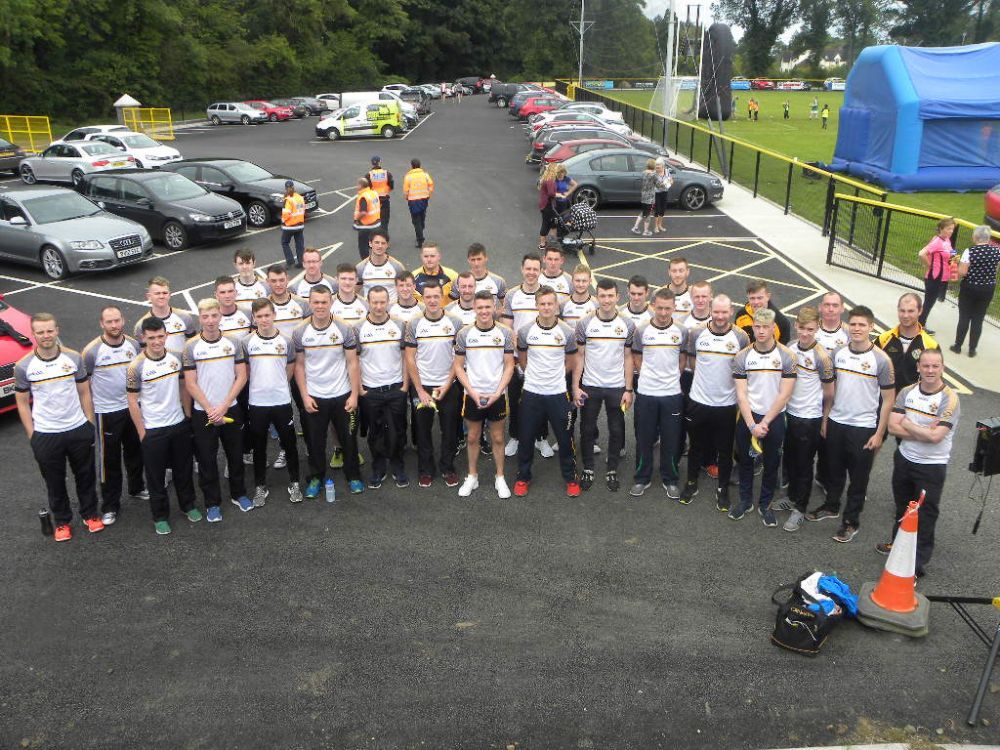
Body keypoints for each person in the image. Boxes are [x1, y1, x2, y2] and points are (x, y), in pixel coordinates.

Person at [806, 306, 894, 544]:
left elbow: (888, 400)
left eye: (862, 325)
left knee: (858, 478)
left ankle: (851, 522)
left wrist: (879, 433)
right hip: (836, 422)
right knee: (834, 470)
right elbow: (829, 390)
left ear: (871, 327)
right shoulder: (838, 353)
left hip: (864, 427)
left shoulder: (881, 360)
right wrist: (826, 419)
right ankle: (831, 506)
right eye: (853, 324)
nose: (857, 329)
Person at [15, 313, 102, 541]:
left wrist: (89, 423)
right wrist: (33, 435)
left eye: (49, 331)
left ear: (57, 331)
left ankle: (90, 514)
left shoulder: (73, 358)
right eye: (40, 332)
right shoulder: (23, 366)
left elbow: (84, 392)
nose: (46, 336)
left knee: (85, 476)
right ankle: (62, 522)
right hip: (46, 434)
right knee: (54, 481)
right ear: (33, 334)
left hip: (77, 428)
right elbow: (22, 403)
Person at [884, 348, 960, 577]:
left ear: (942, 368)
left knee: (925, 516)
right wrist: (925, 431)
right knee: (902, 508)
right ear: (918, 367)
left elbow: (936, 438)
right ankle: (897, 549)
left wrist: (908, 424)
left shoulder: (950, 399)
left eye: (935, 366)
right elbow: (892, 427)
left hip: (931, 467)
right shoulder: (907, 392)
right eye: (926, 365)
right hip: (904, 459)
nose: (930, 370)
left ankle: (916, 566)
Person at [127, 316, 200, 535]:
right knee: (156, 477)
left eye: (160, 336)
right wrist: (142, 432)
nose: (157, 341)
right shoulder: (136, 367)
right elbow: (132, 401)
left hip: (178, 424)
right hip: (153, 430)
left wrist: (187, 416)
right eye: (152, 338)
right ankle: (160, 516)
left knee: (183, 470)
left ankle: (188, 505)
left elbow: (184, 387)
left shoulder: (177, 357)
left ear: (166, 335)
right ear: (143, 338)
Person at [292, 285, 365, 499]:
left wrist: (354, 395)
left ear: (331, 303)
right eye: (316, 302)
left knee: (348, 439)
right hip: (315, 396)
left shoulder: (344, 328)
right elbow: (299, 366)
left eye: (324, 302)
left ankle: (353, 476)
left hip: (342, 394)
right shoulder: (300, 331)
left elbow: (352, 363)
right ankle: (316, 477)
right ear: (310, 303)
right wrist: (304, 396)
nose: (320, 306)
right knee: (315, 441)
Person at [182, 298, 251, 520]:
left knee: (235, 455)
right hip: (204, 413)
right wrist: (211, 409)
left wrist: (224, 406)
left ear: (220, 316)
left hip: (230, 408)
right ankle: (212, 503)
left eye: (214, 316)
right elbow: (190, 383)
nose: (210, 321)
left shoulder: (234, 343)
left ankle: (239, 494)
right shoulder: (191, 346)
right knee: (207, 460)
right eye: (205, 317)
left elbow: (241, 376)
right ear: (200, 318)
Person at [681, 295, 751, 509]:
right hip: (698, 401)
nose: (720, 316)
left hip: (726, 405)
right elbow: (693, 362)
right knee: (695, 446)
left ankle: (722, 489)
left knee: (724, 450)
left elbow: (743, 370)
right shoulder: (697, 332)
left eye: (724, 312)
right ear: (711, 311)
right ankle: (691, 482)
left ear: (731, 312)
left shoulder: (741, 337)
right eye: (717, 312)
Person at [730, 309, 797, 525]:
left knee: (771, 464)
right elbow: (741, 394)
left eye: (765, 327)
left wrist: (765, 422)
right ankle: (745, 501)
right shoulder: (742, 356)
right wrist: (752, 425)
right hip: (748, 417)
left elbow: (785, 394)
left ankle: (765, 504)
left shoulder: (787, 356)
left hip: (774, 418)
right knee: (746, 462)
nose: (760, 331)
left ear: (773, 328)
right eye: (757, 326)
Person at [81, 306, 147, 526]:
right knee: (109, 460)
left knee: (135, 450)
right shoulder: (92, 351)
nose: (114, 325)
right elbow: (84, 386)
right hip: (106, 412)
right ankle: (110, 505)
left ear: (123, 320)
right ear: (102, 324)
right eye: (109, 322)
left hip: (132, 407)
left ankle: (137, 487)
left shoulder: (133, 345)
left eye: (117, 320)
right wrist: (89, 416)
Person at [513, 287, 580, 498]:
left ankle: (570, 478)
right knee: (526, 437)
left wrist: (555, 377)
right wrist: (535, 376)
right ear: (536, 305)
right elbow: (522, 359)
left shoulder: (567, 332)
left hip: (558, 393)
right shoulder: (525, 331)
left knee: (565, 438)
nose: (546, 307)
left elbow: (571, 361)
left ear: (556, 306)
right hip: (531, 392)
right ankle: (523, 477)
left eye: (550, 303)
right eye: (542, 304)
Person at [627, 288, 689, 497]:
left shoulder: (682, 331)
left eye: (667, 309)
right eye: (660, 308)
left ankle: (670, 479)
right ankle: (641, 478)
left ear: (674, 308)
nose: (663, 313)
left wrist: (672, 377)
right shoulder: (642, 330)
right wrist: (648, 375)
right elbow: (636, 357)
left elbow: (682, 358)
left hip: (672, 394)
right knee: (644, 438)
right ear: (653, 306)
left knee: (671, 440)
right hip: (646, 393)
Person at [454, 293, 516, 499]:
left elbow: (509, 365)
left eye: (488, 307)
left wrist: (498, 392)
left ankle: (500, 477)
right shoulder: (464, 334)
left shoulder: (505, 333)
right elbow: (458, 366)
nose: (484, 311)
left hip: (497, 395)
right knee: (472, 437)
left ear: (494, 308)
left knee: (497, 437)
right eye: (480, 307)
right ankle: (472, 476)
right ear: (474, 308)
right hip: (472, 395)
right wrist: (472, 392)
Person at [574, 279, 634, 492]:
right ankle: (588, 468)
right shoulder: (584, 323)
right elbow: (580, 356)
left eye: (610, 296)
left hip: (617, 387)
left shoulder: (627, 325)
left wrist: (628, 389)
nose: (606, 300)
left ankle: (612, 468)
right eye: (602, 295)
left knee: (617, 430)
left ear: (618, 297)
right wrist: (575, 386)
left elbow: (628, 357)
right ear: (596, 297)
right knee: (587, 429)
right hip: (590, 385)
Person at [781, 307, 835, 533]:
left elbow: (829, 393)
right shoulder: (791, 347)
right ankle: (791, 497)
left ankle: (800, 508)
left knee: (804, 464)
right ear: (796, 325)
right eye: (802, 328)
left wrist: (824, 419)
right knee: (790, 460)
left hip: (810, 418)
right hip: (789, 413)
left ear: (817, 328)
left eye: (810, 329)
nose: (805, 333)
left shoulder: (822, 357)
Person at [245, 298, 303, 505]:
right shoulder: (247, 342)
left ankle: (294, 482)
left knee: (290, 443)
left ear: (274, 315)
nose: (264, 319)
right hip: (257, 403)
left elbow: (290, 368)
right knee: (259, 446)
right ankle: (260, 486)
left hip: (281, 401)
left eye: (267, 315)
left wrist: (277, 385)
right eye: (259, 316)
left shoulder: (286, 341)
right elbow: (247, 372)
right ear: (254, 318)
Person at [404, 284, 462, 488]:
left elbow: (458, 358)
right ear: (423, 298)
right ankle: (425, 469)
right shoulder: (414, 323)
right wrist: (419, 389)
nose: (432, 300)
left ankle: (447, 467)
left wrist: (447, 384)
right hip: (422, 387)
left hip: (448, 385)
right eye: (428, 297)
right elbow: (410, 359)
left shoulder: (455, 322)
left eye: (436, 296)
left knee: (450, 430)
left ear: (442, 297)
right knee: (422, 431)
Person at [355, 286, 409, 489]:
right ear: (368, 302)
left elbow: (406, 357)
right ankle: (378, 468)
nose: (378, 306)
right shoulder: (358, 328)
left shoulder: (400, 325)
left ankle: (397, 466)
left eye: (382, 302)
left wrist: (405, 385)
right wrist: (360, 389)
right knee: (375, 432)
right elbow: (354, 361)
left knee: (398, 430)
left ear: (388, 302)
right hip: (370, 390)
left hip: (396, 388)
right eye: (374, 302)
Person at [951, 224, 999, 357]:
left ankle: (958, 346)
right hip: (988, 288)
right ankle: (972, 350)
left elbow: (962, 272)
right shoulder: (997, 251)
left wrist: (954, 266)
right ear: (988, 238)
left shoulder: (970, 251)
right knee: (978, 319)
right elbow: (995, 270)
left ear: (975, 237)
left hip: (970, 288)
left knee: (964, 317)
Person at [876, 292, 938, 393]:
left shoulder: (931, 346)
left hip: (912, 401)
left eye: (910, 311)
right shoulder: (883, 339)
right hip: (882, 399)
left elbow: (935, 382)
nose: (905, 315)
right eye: (902, 311)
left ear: (920, 311)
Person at [133, 276, 197, 354]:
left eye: (165, 293)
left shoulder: (185, 317)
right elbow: (142, 352)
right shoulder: (141, 325)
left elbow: (193, 344)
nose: (161, 296)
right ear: (149, 296)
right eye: (157, 293)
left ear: (169, 295)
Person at [917, 217, 957, 331]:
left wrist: (954, 268)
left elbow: (951, 253)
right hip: (934, 278)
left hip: (942, 278)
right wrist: (930, 265)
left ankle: (920, 325)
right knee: (928, 303)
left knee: (929, 303)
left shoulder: (947, 240)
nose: (951, 231)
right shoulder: (937, 242)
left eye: (952, 229)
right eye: (948, 229)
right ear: (941, 229)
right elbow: (921, 254)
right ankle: (919, 327)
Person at [735, 279, 791, 343]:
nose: (756, 302)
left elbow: (782, 348)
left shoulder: (782, 322)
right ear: (748, 297)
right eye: (752, 298)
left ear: (768, 296)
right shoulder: (741, 315)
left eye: (759, 298)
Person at [357, 232, 406, 304]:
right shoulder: (361, 268)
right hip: (370, 309)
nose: (380, 246)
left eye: (383, 243)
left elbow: (405, 290)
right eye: (376, 242)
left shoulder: (397, 267)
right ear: (370, 243)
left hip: (391, 309)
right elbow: (353, 292)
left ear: (387, 245)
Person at [403, 158, 434, 248]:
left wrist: (406, 197)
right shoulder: (425, 175)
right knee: (422, 216)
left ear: (412, 166)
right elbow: (431, 184)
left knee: (416, 220)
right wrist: (429, 194)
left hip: (413, 200)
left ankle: (420, 239)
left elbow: (406, 189)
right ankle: (421, 230)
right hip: (424, 199)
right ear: (420, 165)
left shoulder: (408, 176)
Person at [353, 177, 382, 259]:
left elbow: (363, 212)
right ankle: (378, 260)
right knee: (375, 244)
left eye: (357, 184)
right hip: (377, 223)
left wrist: (357, 219)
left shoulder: (363, 196)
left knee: (363, 247)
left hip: (366, 226)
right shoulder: (374, 193)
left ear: (361, 186)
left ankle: (366, 262)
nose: (356, 186)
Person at [280, 179, 306, 268]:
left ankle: (290, 261)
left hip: (289, 226)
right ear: (293, 187)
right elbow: (303, 209)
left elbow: (286, 214)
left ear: (285, 188)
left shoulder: (288, 200)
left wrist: (282, 221)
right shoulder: (300, 198)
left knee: (285, 242)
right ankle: (301, 262)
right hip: (300, 225)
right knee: (299, 244)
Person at [537, 163, 563, 249]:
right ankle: (542, 244)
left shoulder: (546, 178)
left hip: (544, 204)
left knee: (552, 221)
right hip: (547, 205)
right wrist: (559, 195)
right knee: (546, 223)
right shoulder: (550, 180)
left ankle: (553, 240)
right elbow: (551, 193)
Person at [365, 155, 394, 232]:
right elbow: (391, 185)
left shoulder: (368, 175)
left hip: (373, 201)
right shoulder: (387, 174)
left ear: (372, 163)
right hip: (384, 199)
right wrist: (387, 190)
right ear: (380, 162)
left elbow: (366, 189)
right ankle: (384, 236)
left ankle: (374, 236)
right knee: (384, 220)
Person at [631, 158, 657, 236]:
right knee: (648, 214)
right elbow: (659, 184)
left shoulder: (643, 173)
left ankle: (635, 227)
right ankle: (645, 231)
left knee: (644, 212)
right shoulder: (654, 175)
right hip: (650, 198)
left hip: (644, 196)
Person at [666, 257, 693, 323]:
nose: (677, 275)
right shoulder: (658, 294)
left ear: (687, 272)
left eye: (681, 271)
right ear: (669, 272)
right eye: (674, 271)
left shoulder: (695, 295)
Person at [652, 158, 673, 234]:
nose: (657, 167)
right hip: (657, 193)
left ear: (663, 165)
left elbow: (671, 180)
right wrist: (661, 184)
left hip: (665, 192)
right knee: (657, 210)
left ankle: (660, 225)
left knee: (663, 210)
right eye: (656, 165)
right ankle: (656, 227)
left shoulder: (667, 171)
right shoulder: (654, 173)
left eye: (658, 165)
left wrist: (669, 183)